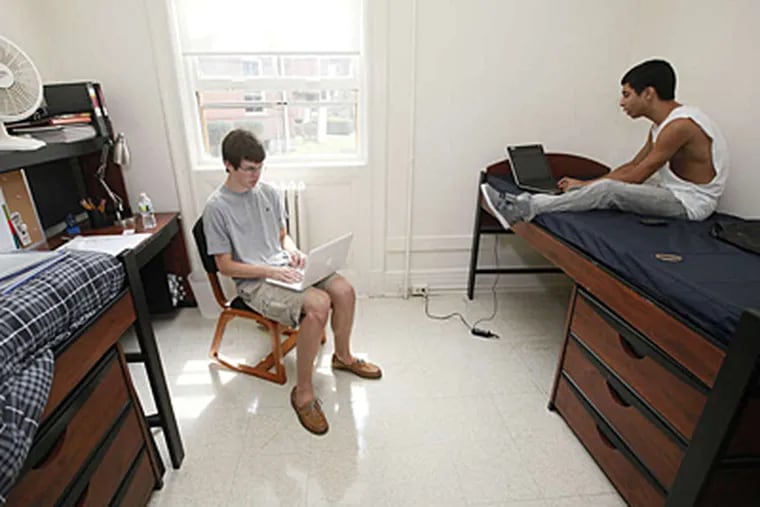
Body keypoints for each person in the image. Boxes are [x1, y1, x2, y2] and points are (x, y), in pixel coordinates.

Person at [202, 129, 382, 435]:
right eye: (249, 169)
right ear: (228, 165)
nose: (256, 175)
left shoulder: (268, 193)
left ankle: (343, 357)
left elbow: (282, 236)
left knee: (345, 290)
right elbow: (225, 266)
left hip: (284, 268)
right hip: (255, 283)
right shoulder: (216, 208)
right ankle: (303, 393)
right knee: (319, 305)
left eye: (260, 167)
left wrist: (294, 251)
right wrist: (271, 272)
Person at [481, 59, 729, 227]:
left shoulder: (679, 126)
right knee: (606, 186)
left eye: (626, 94)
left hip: (690, 204)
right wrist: (585, 185)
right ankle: (551, 199)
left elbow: (637, 176)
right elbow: (633, 166)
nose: (622, 103)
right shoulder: (661, 126)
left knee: (609, 191)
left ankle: (525, 207)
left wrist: (591, 186)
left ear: (648, 94)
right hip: (672, 190)